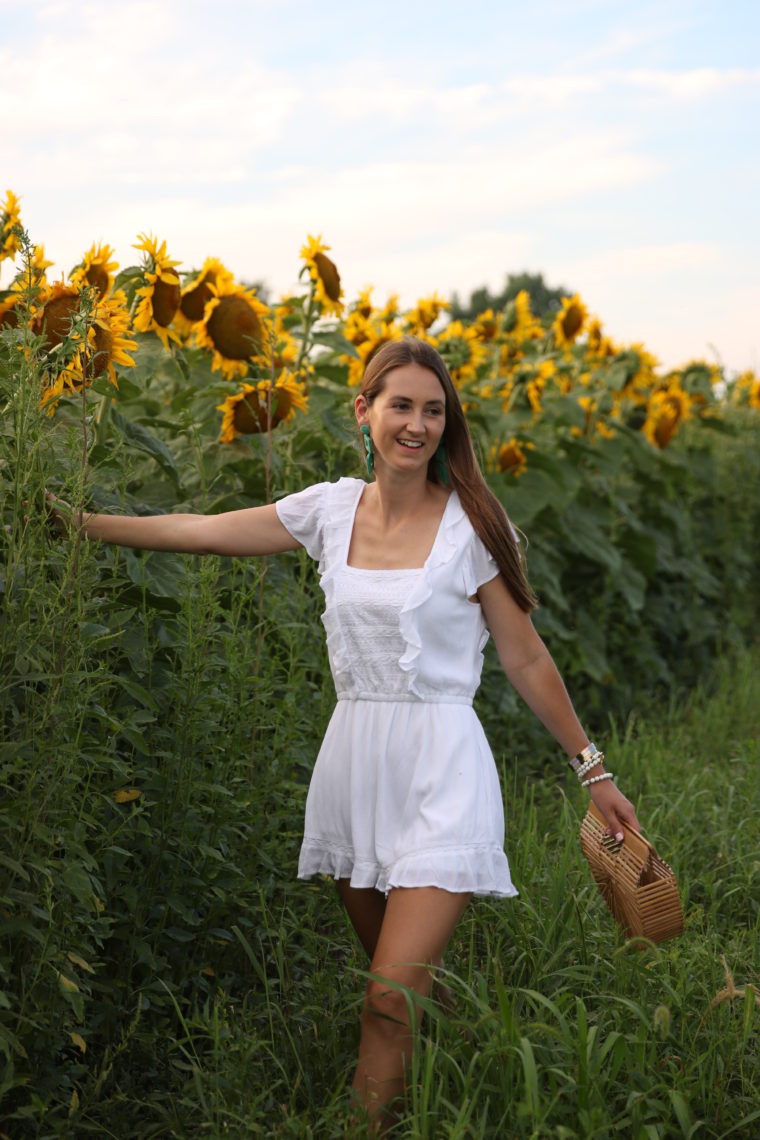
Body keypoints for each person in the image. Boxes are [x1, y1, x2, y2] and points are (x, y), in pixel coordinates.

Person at [49, 336, 639, 1133]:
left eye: (434, 410)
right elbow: (204, 528)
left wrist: (592, 770)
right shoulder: (330, 510)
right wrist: (81, 525)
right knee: (398, 991)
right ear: (364, 411)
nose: (418, 424)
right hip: (352, 771)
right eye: (401, 405)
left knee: (386, 1000)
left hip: (442, 771)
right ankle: (456, 1078)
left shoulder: (473, 526)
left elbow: (526, 656)